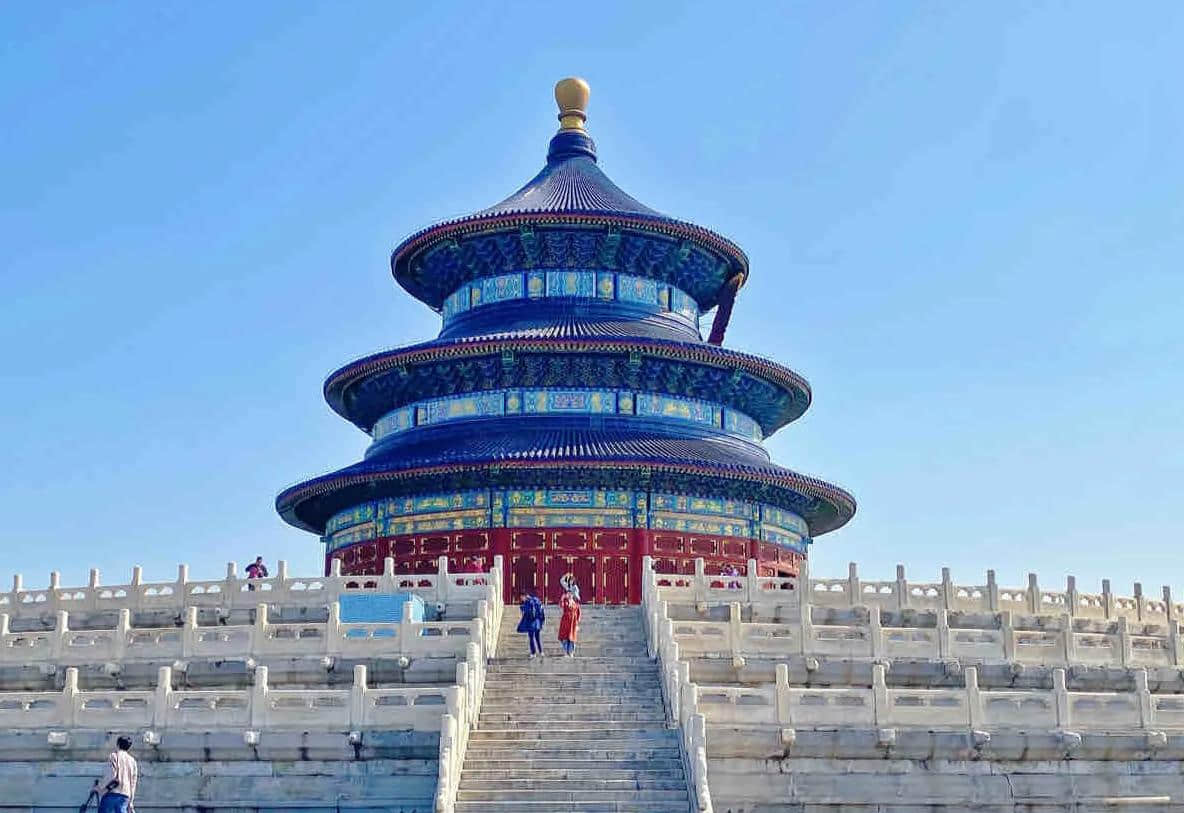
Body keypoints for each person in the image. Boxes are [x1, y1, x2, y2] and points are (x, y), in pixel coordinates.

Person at [98, 735, 137, 813]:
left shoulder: (114, 756)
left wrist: (100, 788)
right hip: (125, 795)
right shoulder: (133, 761)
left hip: (112, 793)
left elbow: (111, 775)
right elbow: (133, 783)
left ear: (118, 744)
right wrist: (131, 801)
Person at [517, 590, 545, 658]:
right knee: (537, 638)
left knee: (531, 638)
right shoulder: (536, 599)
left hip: (531, 622)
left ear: (524, 596)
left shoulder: (527, 602)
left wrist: (522, 608)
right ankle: (541, 652)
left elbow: (528, 612)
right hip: (537, 622)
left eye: (521, 597)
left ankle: (533, 653)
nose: (521, 599)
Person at [558, 589, 581, 657]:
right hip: (565, 621)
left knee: (572, 638)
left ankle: (571, 652)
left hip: (573, 622)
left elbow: (578, 613)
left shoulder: (576, 603)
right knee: (565, 638)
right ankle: (565, 652)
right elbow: (561, 606)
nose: (569, 595)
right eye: (568, 594)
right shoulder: (565, 601)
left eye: (571, 593)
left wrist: (577, 623)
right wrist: (562, 598)